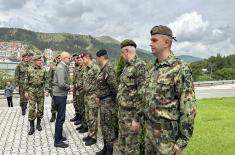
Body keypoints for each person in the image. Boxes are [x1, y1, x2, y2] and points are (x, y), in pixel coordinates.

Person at [144, 25, 197, 155]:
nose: (150, 44)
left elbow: (188, 109)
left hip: (167, 139)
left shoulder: (180, 68)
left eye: (154, 40)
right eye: (151, 40)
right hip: (150, 134)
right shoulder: (153, 69)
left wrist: (182, 142)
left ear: (166, 42)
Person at [117, 39, 147, 155]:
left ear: (127, 50)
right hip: (123, 115)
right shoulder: (126, 67)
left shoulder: (140, 66)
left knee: (131, 148)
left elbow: (143, 94)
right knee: (123, 146)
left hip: (131, 117)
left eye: (121, 53)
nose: (121, 56)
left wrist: (137, 118)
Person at [95, 49, 118, 155]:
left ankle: (110, 151)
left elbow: (114, 87)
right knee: (104, 127)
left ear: (101, 57)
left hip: (108, 103)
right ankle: (105, 148)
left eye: (97, 58)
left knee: (108, 127)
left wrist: (111, 101)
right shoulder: (103, 69)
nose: (97, 60)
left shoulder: (108, 68)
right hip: (104, 102)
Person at [24, 55, 49, 135]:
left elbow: (46, 81)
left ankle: (38, 124)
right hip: (31, 91)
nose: (40, 62)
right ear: (34, 61)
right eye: (38, 60)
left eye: (41, 60)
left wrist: (47, 90)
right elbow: (26, 81)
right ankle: (31, 126)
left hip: (40, 91)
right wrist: (26, 91)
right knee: (31, 108)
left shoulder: (44, 70)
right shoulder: (29, 69)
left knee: (40, 108)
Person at [53, 51, 71, 148]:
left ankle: (58, 135)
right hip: (60, 95)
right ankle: (57, 141)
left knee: (60, 117)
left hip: (60, 95)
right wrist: (70, 87)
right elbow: (61, 84)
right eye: (69, 58)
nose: (70, 59)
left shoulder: (63, 67)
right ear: (64, 58)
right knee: (60, 118)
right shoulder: (60, 68)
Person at [82, 51, 100, 146]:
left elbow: (100, 83)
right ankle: (90, 133)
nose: (83, 61)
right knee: (88, 117)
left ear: (88, 58)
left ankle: (93, 137)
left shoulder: (95, 68)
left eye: (84, 59)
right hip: (86, 96)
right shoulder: (86, 69)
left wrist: (97, 96)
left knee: (93, 117)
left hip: (93, 96)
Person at [48, 54, 61, 122]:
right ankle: (53, 115)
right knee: (53, 102)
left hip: (61, 88)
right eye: (58, 58)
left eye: (60, 58)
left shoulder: (64, 66)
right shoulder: (53, 67)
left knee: (60, 102)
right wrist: (50, 88)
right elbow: (49, 77)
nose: (59, 59)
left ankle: (60, 114)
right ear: (56, 59)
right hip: (54, 87)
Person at [70, 53, 81, 125]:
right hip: (75, 87)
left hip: (79, 88)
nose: (75, 60)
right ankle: (77, 115)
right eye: (74, 59)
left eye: (76, 59)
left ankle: (80, 118)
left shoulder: (81, 67)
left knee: (79, 103)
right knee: (75, 102)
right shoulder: (75, 67)